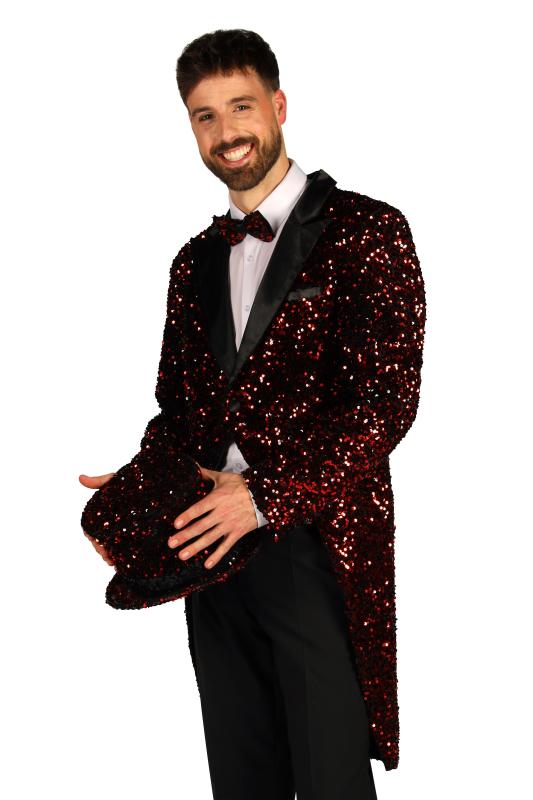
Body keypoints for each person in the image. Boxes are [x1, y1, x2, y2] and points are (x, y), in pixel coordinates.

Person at [80, 27, 426, 800]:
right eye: (204, 115)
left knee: (331, 780)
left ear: (278, 105)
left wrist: (265, 497)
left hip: (316, 545)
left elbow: (384, 404)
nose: (225, 131)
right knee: (241, 779)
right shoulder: (192, 262)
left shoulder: (366, 231)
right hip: (208, 548)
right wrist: (141, 488)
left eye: (240, 106)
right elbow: (179, 411)